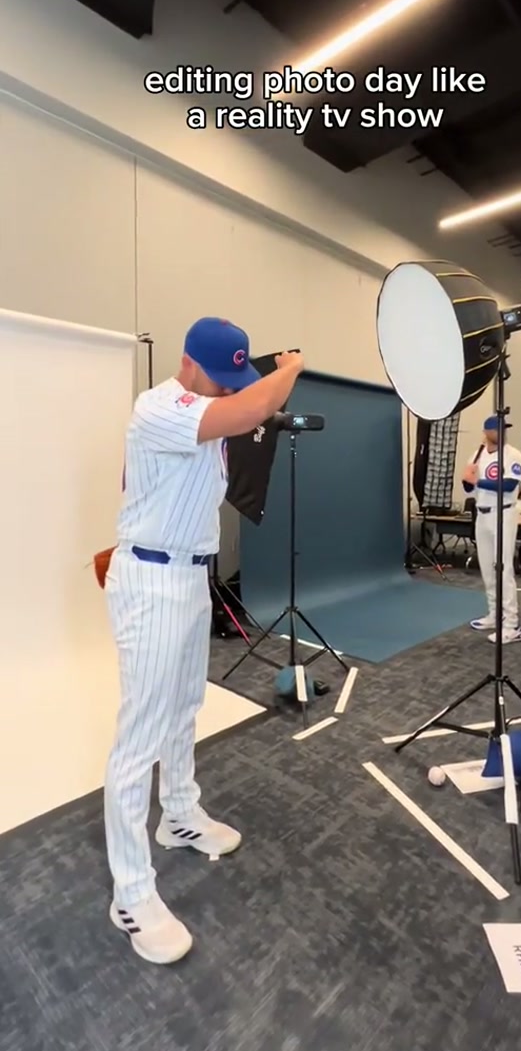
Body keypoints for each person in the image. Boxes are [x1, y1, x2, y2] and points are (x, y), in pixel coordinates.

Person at [104, 317, 304, 964]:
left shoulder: (209, 410)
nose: (229, 390)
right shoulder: (161, 405)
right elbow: (258, 403)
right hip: (152, 580)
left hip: (190, 578)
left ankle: (179, 814)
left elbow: (243, 410)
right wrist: (292, 366)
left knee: (185, 707)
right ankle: (131, 891)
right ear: (190, 365)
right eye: (221, 377)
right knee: (140, 734)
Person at [461, 415, 521, 644]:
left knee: (504, 568)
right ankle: (494, 614)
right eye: (497, 429)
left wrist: (478, 481)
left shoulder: (512, 454)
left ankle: (511, 624)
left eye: (504, 428)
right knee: (487, 568)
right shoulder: (477, 455)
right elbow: (468, 487)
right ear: (486, 431)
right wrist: (468, 478)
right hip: (482, 513)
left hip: (504, 512)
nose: (502, 432)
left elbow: (509, 484)